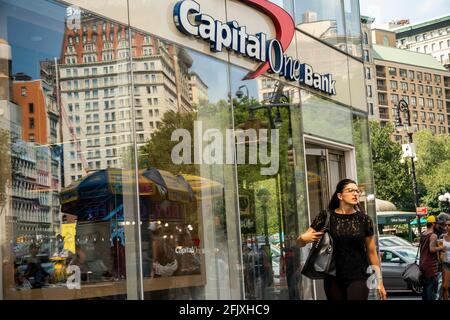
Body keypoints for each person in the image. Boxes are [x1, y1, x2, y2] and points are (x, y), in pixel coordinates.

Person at [297, 179, 387, 300]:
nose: (355, 194)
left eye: (357, 191)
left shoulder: (364, 220)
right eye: (350, 191)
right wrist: (303, 238)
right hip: (333, 276)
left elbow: (372, 253)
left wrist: (379, 281)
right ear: (340, 195)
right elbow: (300, 242)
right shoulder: (326, 216)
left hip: (359, 276)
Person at [419, 215, 445, 300]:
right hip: (430, 265)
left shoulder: (423, 234)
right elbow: (432, 249)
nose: (438, 225)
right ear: (433, 224)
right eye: (437, 223)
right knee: (431, 288)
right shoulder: (433, 235)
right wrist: (441, 247)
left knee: (425, 288)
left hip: (422, 264)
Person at [440, 217, 450, 300]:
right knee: (444, 286)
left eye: (449, 225)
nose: (447, 227)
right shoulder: (442, 237)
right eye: (445, 225)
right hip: (446, 264)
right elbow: (440, 250)